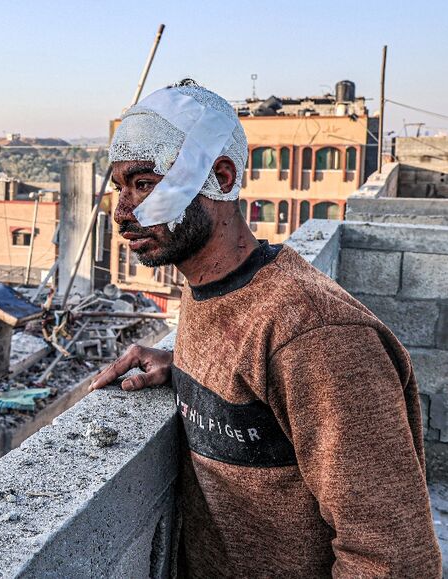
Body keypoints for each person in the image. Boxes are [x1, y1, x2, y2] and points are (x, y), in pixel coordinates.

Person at [89, 80, 441, 577]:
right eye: (119, 188)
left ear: (222, 177)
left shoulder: (319, 338)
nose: (123, 213)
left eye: (145, 184)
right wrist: (190, 367)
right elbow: (251, 365)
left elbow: (393, 560)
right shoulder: (212, 286)